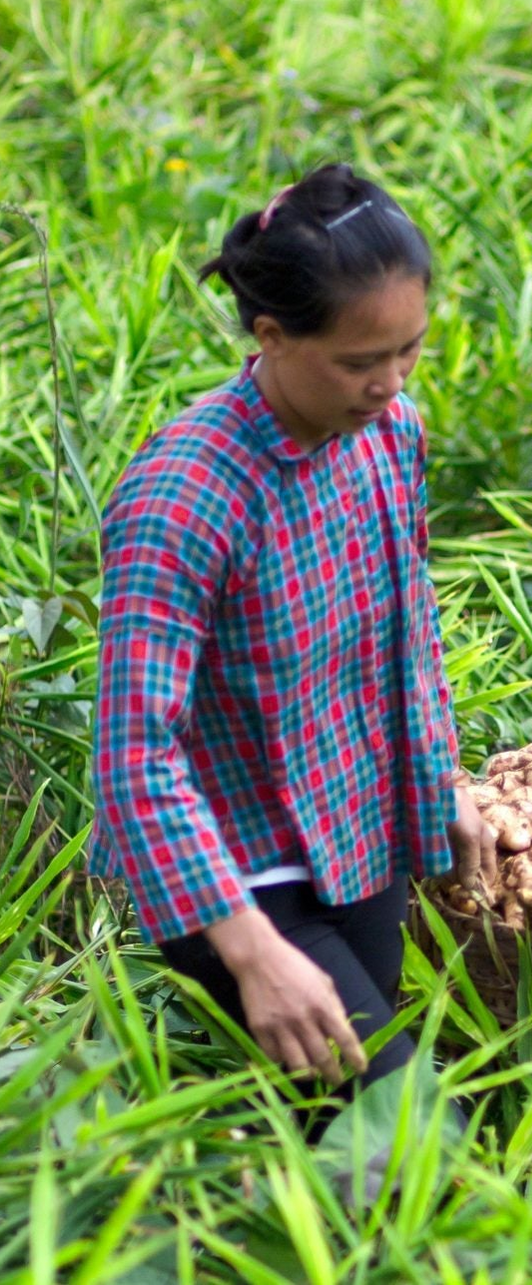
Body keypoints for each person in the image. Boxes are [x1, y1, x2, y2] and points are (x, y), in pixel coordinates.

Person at [89, 164, 493, 1108]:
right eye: (360, 361)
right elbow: (133, 757)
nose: (389, 384)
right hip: (236, 873)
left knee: (326, 1122)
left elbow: (410, 627)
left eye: (411, 351)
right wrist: (251, 948)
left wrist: (443, 784)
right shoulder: (184, 495)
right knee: (401, 1115)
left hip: (359, 834)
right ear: (270, 335)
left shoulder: (390, 437)